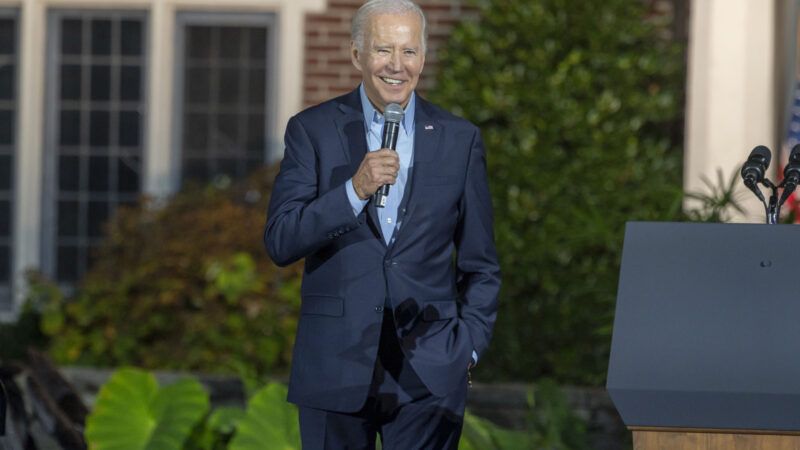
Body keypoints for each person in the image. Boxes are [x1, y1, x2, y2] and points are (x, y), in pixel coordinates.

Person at [264, 0, 500, 448]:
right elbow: (280, 240)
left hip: (429, 370)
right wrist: (353, 190)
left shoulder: (459, 139)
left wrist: (466, 348)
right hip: (334, 365)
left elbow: (481, 262)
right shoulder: (311, 131)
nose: (397, 65)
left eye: (409, 51)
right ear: (357, 55)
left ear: (424, 57)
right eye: (383, 50)